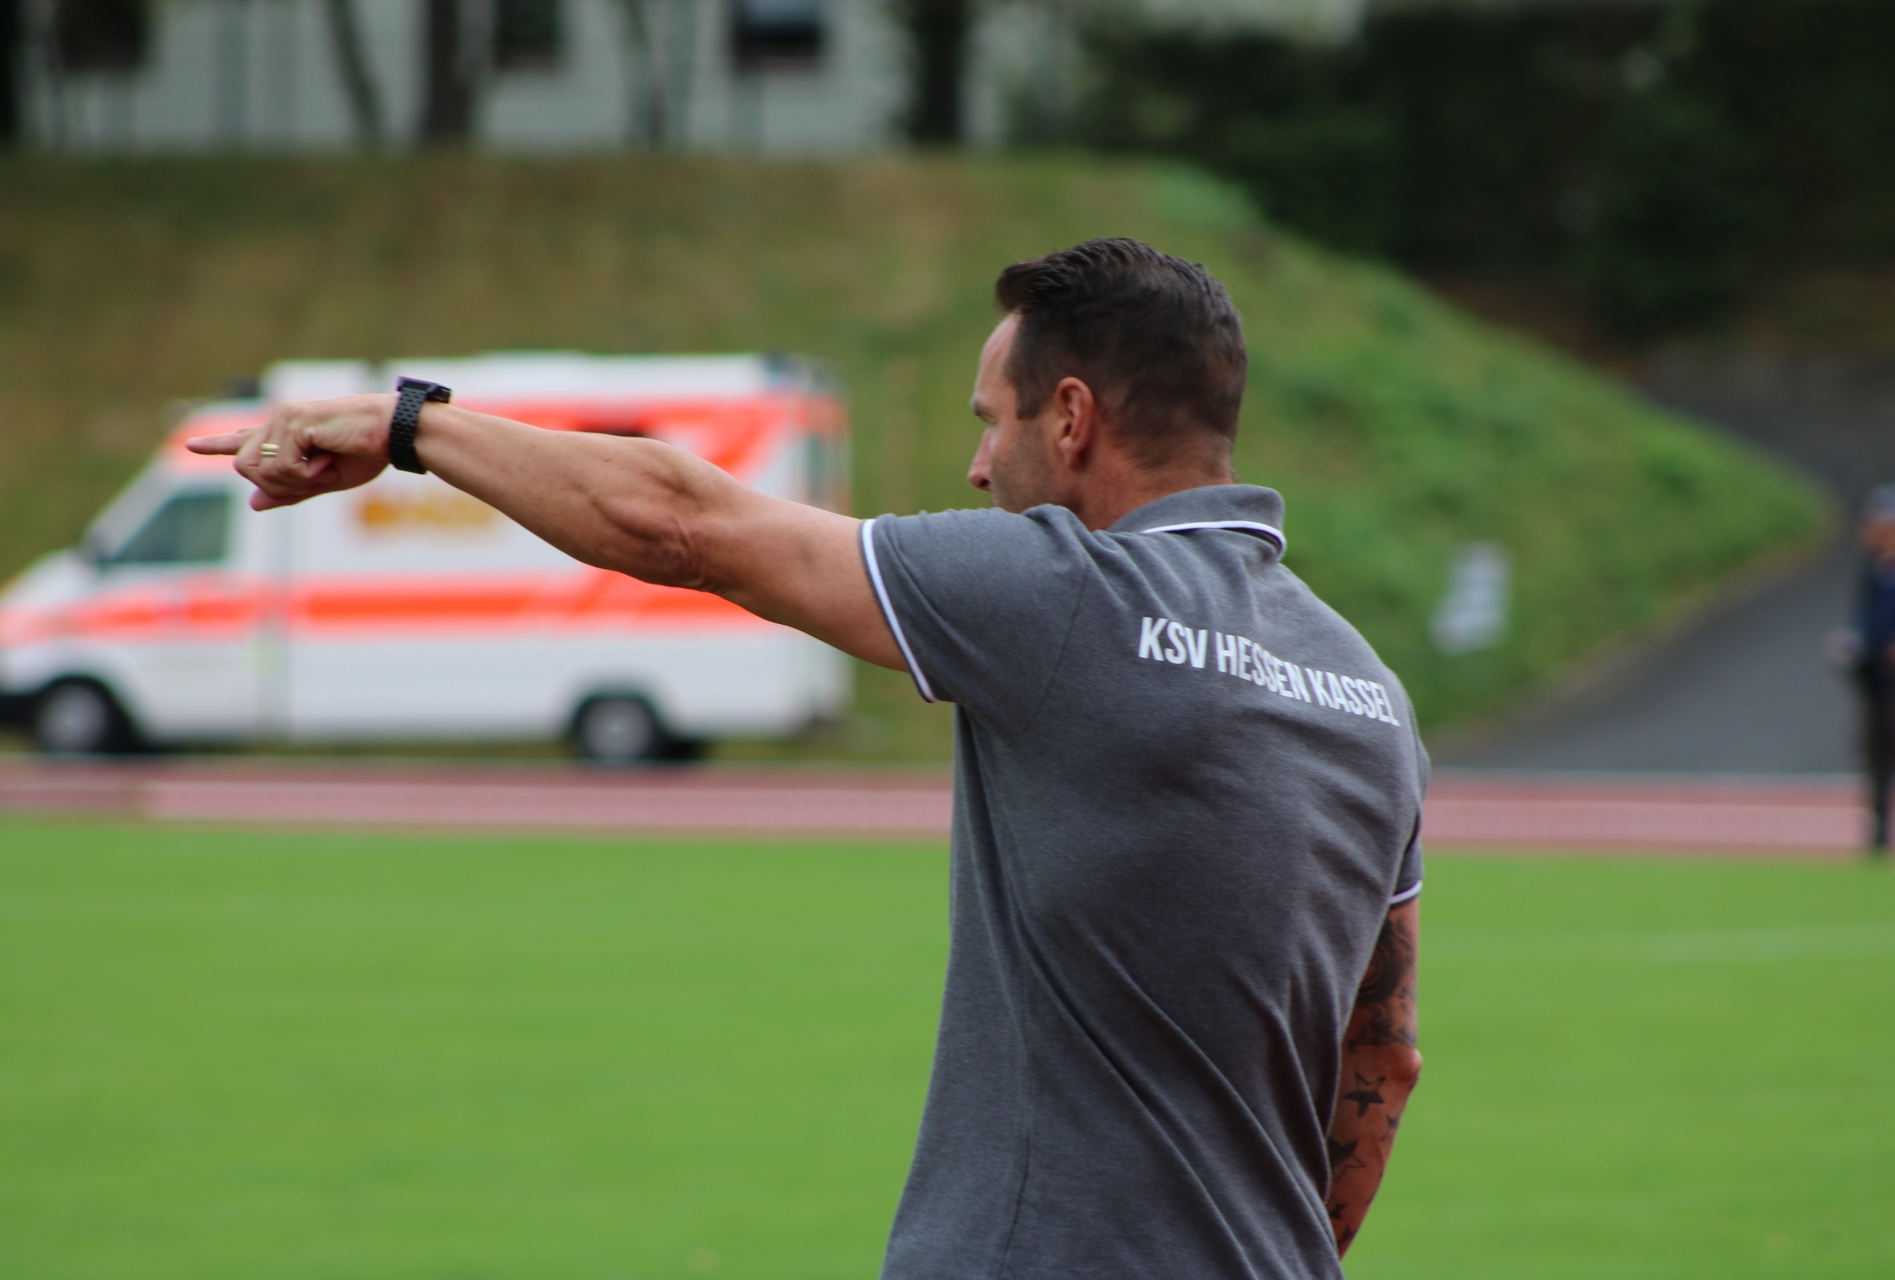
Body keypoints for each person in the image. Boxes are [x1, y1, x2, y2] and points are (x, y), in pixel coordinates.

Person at [190, 238, 1426, 1278]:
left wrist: (409, 424)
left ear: (1071, 417)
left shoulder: (1065, 596)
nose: (977, 466)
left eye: (990, 422)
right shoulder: (1371, 695)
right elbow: (1383, 1057)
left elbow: (684, 521)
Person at [1847, 486, 1895, 856]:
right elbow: (1864, 619)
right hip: (1876, 678)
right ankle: (1878, 832)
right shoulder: (1873, 570)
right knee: (1875, 751)